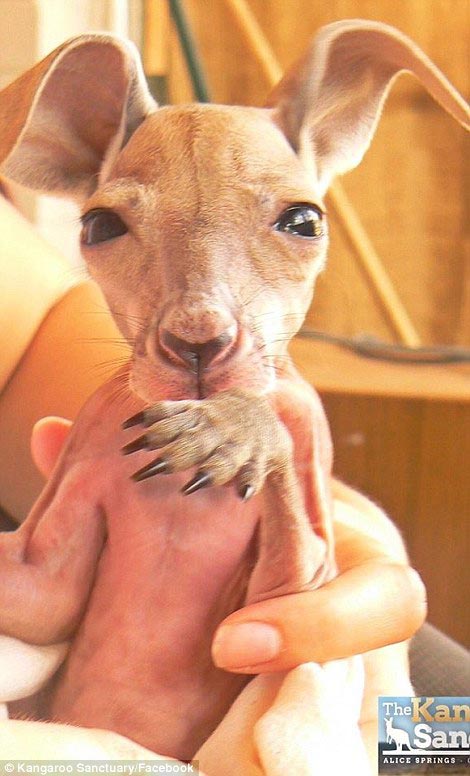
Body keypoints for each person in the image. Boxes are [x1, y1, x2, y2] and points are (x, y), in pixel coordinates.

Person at [0, 193, 426, 768]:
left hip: (307, 668)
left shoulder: (228, 393)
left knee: (444, 724)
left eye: (299, 224)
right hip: (50, 716)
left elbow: (40, 327)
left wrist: (347, 530)